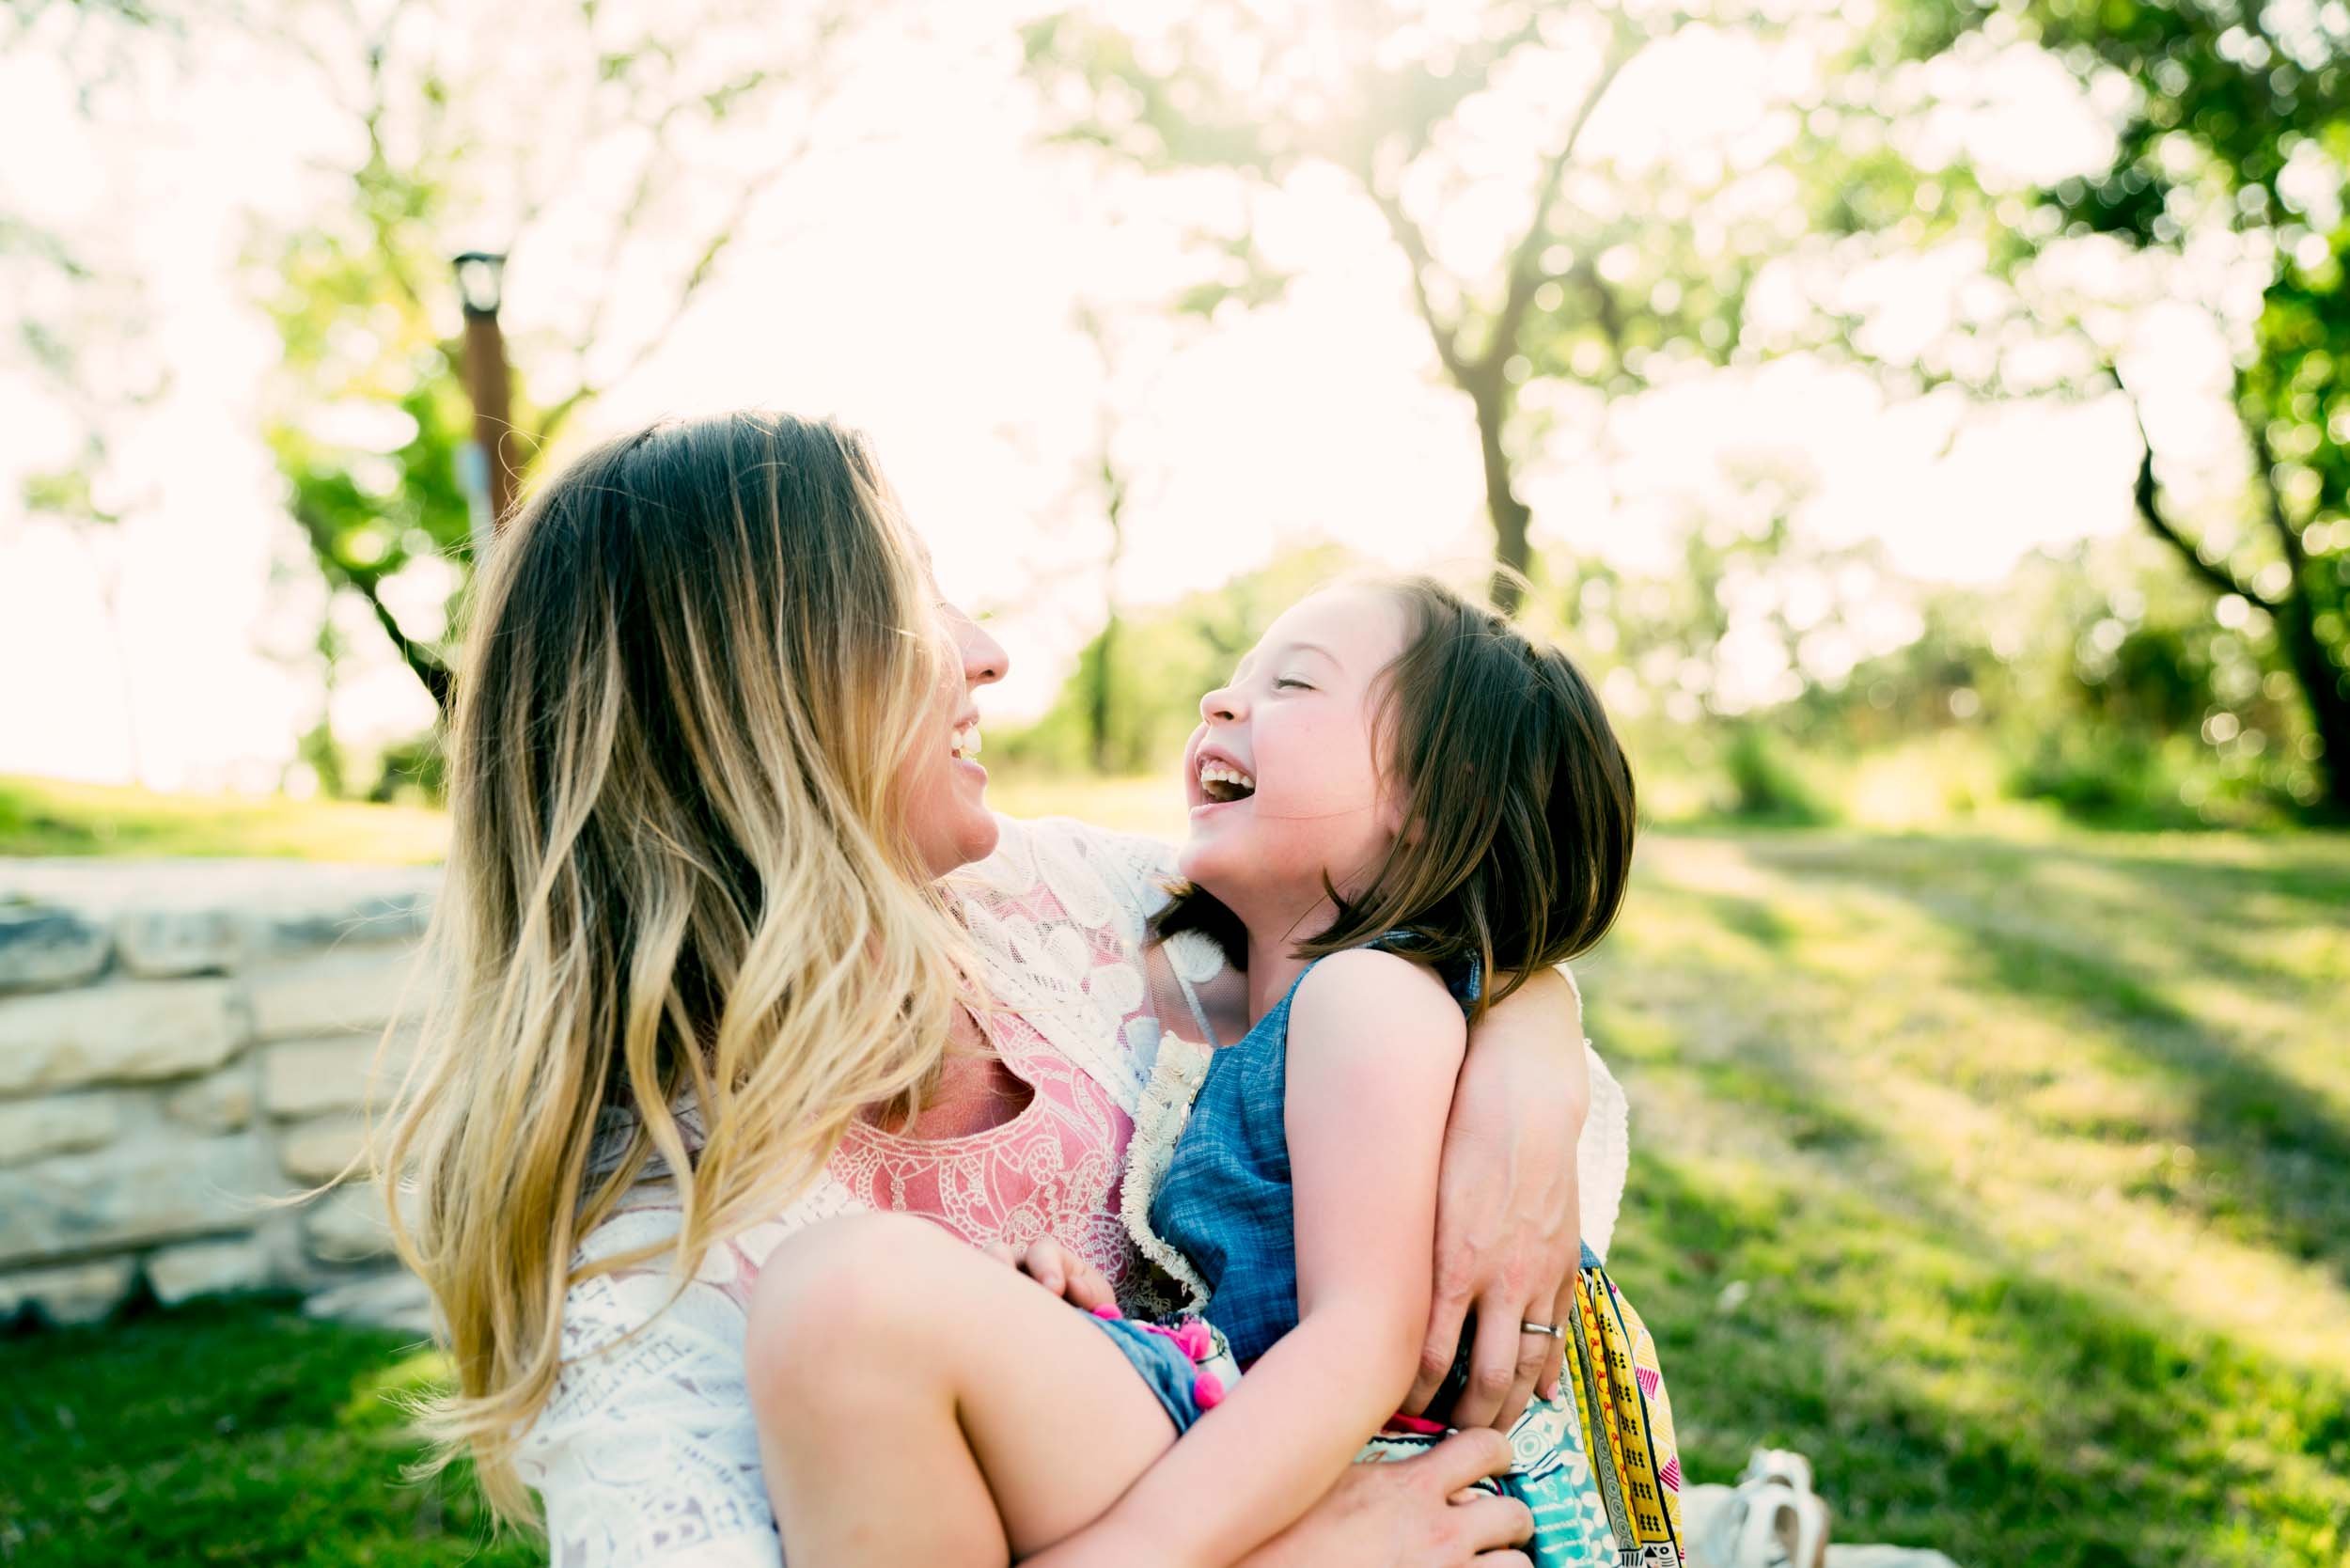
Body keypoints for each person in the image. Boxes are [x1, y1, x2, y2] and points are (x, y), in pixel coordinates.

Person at [379, 412, 1635, 1567]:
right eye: (913, 608)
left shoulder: (1096, 910)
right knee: (846, 1301)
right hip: (1258, 1509)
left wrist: (1529, 1044)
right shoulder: (638, 1266)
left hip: (1324, 1463)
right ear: (762, 701)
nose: (988, 656)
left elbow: (1406, 917)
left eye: (1293, 687)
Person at [744, 576, 1679, 1567]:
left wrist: (1139, 1549)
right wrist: (1115, 1335)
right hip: (1283, 1448)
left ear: (1428, 798)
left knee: (848, 1309)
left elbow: (1364, 1335)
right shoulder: (1278, 1014)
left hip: (1381, 1478)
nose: (1220, 703)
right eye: (1237, 678)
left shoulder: (1367, 998)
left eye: (1293, 686)